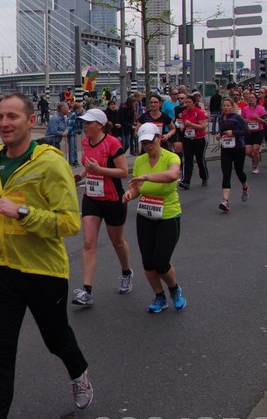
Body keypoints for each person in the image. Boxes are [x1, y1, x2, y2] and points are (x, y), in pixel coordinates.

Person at [0, 94, 91, 419]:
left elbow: (69, 223)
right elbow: (3, 206)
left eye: (13, 117)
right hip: (3, 269)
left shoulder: (50, 163)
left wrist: (20, 213)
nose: (4, 123)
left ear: (31, 121)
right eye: (1, 116)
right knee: (0, 354)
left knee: (57, 339)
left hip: (43, 271)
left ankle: (79, 372)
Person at [121, 123, 187, 314]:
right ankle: (159, 296)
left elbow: (173, 175)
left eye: (151, 141)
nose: (148, 146)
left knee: (161, 262)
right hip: (145, 215)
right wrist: (130, 194)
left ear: (159, 138)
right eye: (144, 143)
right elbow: (136, 188)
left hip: (168, 214)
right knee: (148, 263)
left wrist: (147, 177)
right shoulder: (140, 161)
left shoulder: (171, 157)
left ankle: (174, 289)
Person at [71, 108, 133, 306]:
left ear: (100, 125)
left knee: (118, 242)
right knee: (88, 243)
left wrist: (99, 170)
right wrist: (81, 175)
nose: (85, 126)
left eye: (88, 123)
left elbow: (123, 171)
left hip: (113, 199)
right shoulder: (86, 142)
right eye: (84, 122)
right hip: (92, 198)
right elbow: (88, 164)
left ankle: (126, 272)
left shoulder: (112, 143)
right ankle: (87, 291)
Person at [215, 97, 250, 211]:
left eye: (228, 106)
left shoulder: (237, 118)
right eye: (224, 106)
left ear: (232, 106)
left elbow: (246, 131)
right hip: (226, 148)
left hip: (238, 148)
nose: (226, 108)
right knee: (226, 173)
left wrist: (233, 132)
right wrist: (219, 135)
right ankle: (225, 200)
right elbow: (222, 131)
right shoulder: (220, 118)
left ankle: (245, 186)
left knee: (239, 171)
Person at [177, 95, 209, 189]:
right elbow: (184, 123)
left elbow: (203, 126)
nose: (187, 104)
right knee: (187, 160)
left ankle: (204, 177)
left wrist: (191, 124)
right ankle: (186, 181)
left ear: (194, 103)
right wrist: (183, 126)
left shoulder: (199, 112)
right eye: (186, 102)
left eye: (189, 102)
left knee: (200, 160)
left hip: (199, 139)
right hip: (188, 139)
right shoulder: (184, 113)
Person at [241, 92, 267, 174]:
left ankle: (255, 166)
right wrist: (245, 121)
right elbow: (242, 119)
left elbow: (265, 122)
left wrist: (257, 118)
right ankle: (255, 158)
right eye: (249, 97)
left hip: (258, 131)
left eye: (252, 97)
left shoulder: (261, 108)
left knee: (255, 150)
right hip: (248, 132)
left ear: (256, 99)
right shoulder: (245, 109)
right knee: (248, 152)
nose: (251, 99)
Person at [66, 102, 84, 166]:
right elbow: (70, 124)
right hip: (71, 133)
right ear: (77, 109)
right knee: (72, 148)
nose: (82, 109)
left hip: (74, 132)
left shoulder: (80, 115)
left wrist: (79, 130)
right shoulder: (73, 115)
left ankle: (75, 161)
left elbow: (81, 123)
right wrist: (68, 132)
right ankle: (72, 161)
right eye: (80, 108)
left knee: (75, 147)